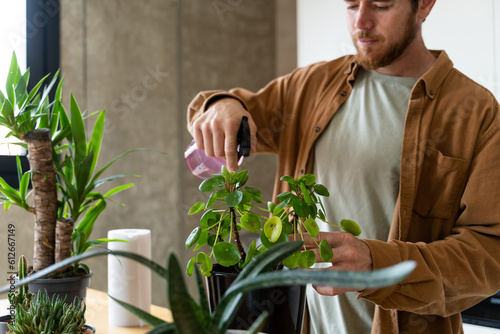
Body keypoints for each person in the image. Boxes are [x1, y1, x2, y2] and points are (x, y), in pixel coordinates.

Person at [186, 0, 500, 333]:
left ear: (423, 5)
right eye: (351, 5)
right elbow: (228, 111)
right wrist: (223, 104)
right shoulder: (312, 86)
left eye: (381, 5)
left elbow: (489, 256)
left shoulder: (476, 112)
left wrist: (376, 263)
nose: (361, 21)